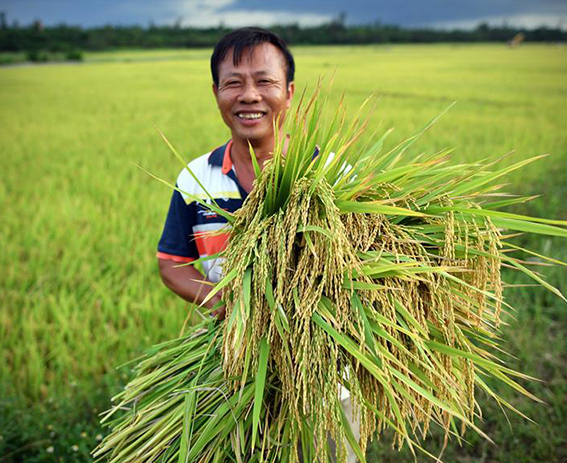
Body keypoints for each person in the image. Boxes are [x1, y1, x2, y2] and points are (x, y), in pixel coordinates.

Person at [156, 27, 359, 462]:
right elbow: (172, 263)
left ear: (288, 92)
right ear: (216, 93)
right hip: (229, 372)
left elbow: (366, 268)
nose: (249, 95)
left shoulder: (330, 176)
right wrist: (223, 299)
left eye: (264, 81)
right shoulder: (196, 179)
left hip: (324, 377)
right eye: (234, 82)